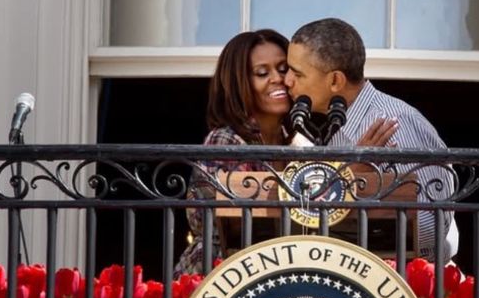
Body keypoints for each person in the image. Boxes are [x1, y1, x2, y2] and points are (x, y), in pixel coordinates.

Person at [176, 28, 397, 276]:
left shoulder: (300, 144)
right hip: (220, 277)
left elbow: (317, 222)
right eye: (262, 73)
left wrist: (353, 175)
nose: (279, 79)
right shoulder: (225, 140)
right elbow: (237, 224)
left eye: (284, 69)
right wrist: (348, 173)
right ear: (239, 84)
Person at [284, 17, 458, 261]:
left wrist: (356, 187)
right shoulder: (334, 124)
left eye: (298, 73)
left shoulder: (391, 121)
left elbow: (432, 230)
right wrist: (350, 176)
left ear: (335, 81)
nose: (287, 81)